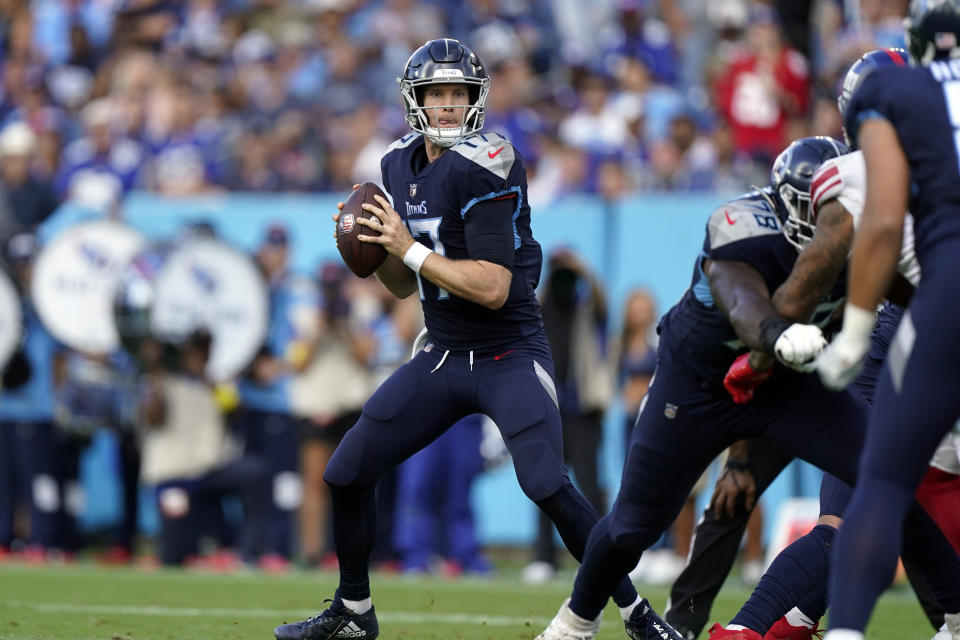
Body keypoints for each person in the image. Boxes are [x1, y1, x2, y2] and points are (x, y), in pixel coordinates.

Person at [274, 38, 667, 640]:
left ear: (476, 99)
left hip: (507, 349)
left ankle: (635, 611)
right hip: (442, 352)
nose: (450, 105)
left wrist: (408, 246)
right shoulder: (396, 165)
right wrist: (377, 249)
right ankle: (353, 612)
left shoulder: (491, 160)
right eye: (438, 94)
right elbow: (405, 286)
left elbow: (492, 287)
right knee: (346, 471)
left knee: (545, 481)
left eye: (459, 94)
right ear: (416, 100)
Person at [804, 7, 960, 636]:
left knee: (885, 480)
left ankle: (846, 631)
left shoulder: (896, 89)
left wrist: (858, 329)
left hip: (947, 291)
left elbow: (885, 219)